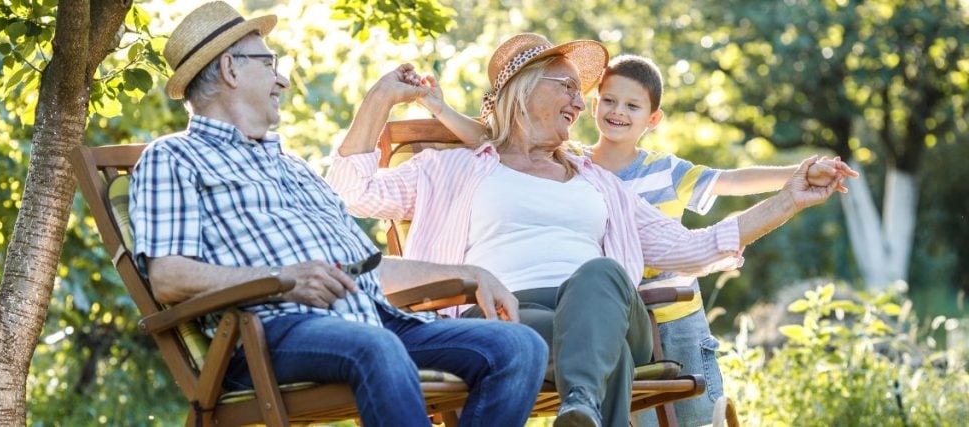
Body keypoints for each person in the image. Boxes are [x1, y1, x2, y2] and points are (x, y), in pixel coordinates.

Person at [325, 33, 856, 427]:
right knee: (553, 339)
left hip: (607, 305)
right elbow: (351, 187)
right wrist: (379, 100)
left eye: (583, 94)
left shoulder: (601, 184)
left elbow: (697, 247)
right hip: (510, 316)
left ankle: (578, 404)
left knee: (599, 274)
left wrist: (790, 199)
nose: (583, 104)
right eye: (569, 89)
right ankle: (586, 406)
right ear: (524, 91)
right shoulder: (450, 169)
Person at [127, 4, 547, 426]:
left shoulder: (291, 165)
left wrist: (473, 272)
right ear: (230, 70)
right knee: (376, 347)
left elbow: (367, 269)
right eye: (269, 63)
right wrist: (283, 279)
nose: (283, 80)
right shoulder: (174, 157)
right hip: (272, 333)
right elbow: (167, 277)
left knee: (519, 347)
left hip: (374, 322)